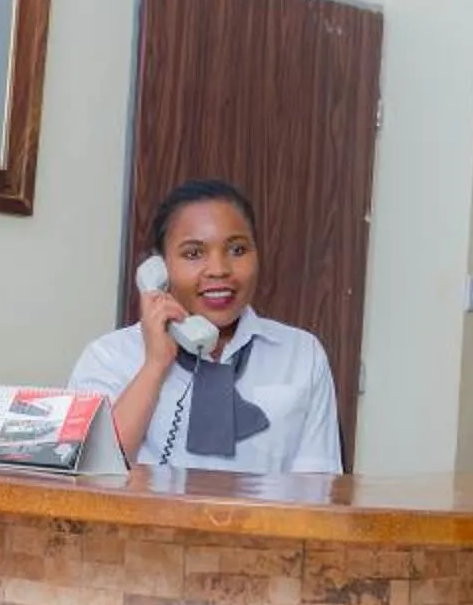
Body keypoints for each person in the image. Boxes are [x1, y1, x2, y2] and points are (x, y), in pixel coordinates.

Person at [69, 179, 344, 475]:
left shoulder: (302, 354)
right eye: (193, 253)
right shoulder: (109, 357)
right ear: (159, 269)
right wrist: (155, 365)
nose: (219, 269)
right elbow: (90, 477)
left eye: (237, 250)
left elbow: (319, 487)